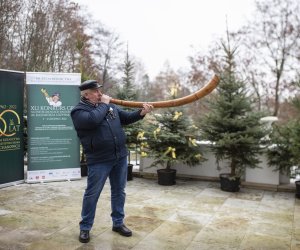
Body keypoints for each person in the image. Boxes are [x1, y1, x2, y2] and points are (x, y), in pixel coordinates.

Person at [70, 79, 153, 243]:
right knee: (92, 194)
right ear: (86, 95)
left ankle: (118, 223)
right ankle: (85, 228)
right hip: (99, 160)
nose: (100, 94)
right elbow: (93, 120)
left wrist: (141, 112)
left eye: (99, 91)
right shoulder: (78, 112)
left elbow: (126, 118)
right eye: (96, 92)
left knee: (119, 191)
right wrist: (104, 105)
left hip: (119, 157)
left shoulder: (110, 107)